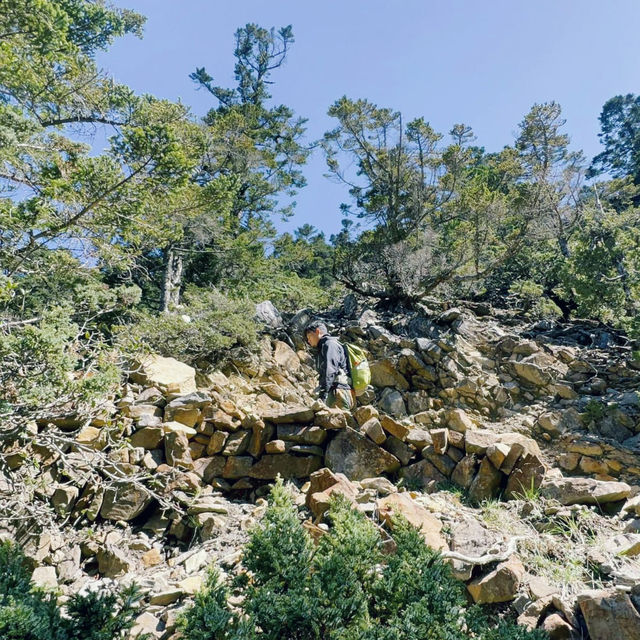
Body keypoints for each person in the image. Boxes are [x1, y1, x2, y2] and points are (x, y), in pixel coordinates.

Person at [305, 320, 355, 411]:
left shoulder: (330, 345)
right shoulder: (324, 346)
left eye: (309, 337)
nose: (308, 341)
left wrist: (323, 393)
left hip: (338, 392)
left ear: (317, 332)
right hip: (337, 390)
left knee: (336, 422)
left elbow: (330, 369)